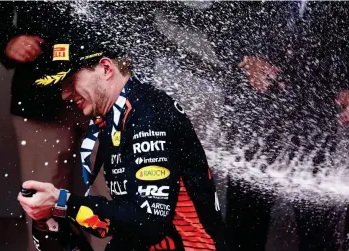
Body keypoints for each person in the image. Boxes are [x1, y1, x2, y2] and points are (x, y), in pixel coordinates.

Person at [17, 39, 227, 250]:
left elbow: (150, 223)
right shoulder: (117, 116)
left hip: (191, 246)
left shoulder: (147, 115)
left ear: (106, 68)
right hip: (150, 243)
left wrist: (63, 201)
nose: (65, 94)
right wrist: (54, 213)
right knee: (53, 234)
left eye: (71, 81)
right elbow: (120, 221)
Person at [0, 2, 84, 251]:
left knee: (118, 191)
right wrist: (6, 39)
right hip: (41, 87)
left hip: (113, 82)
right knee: (44, 197)